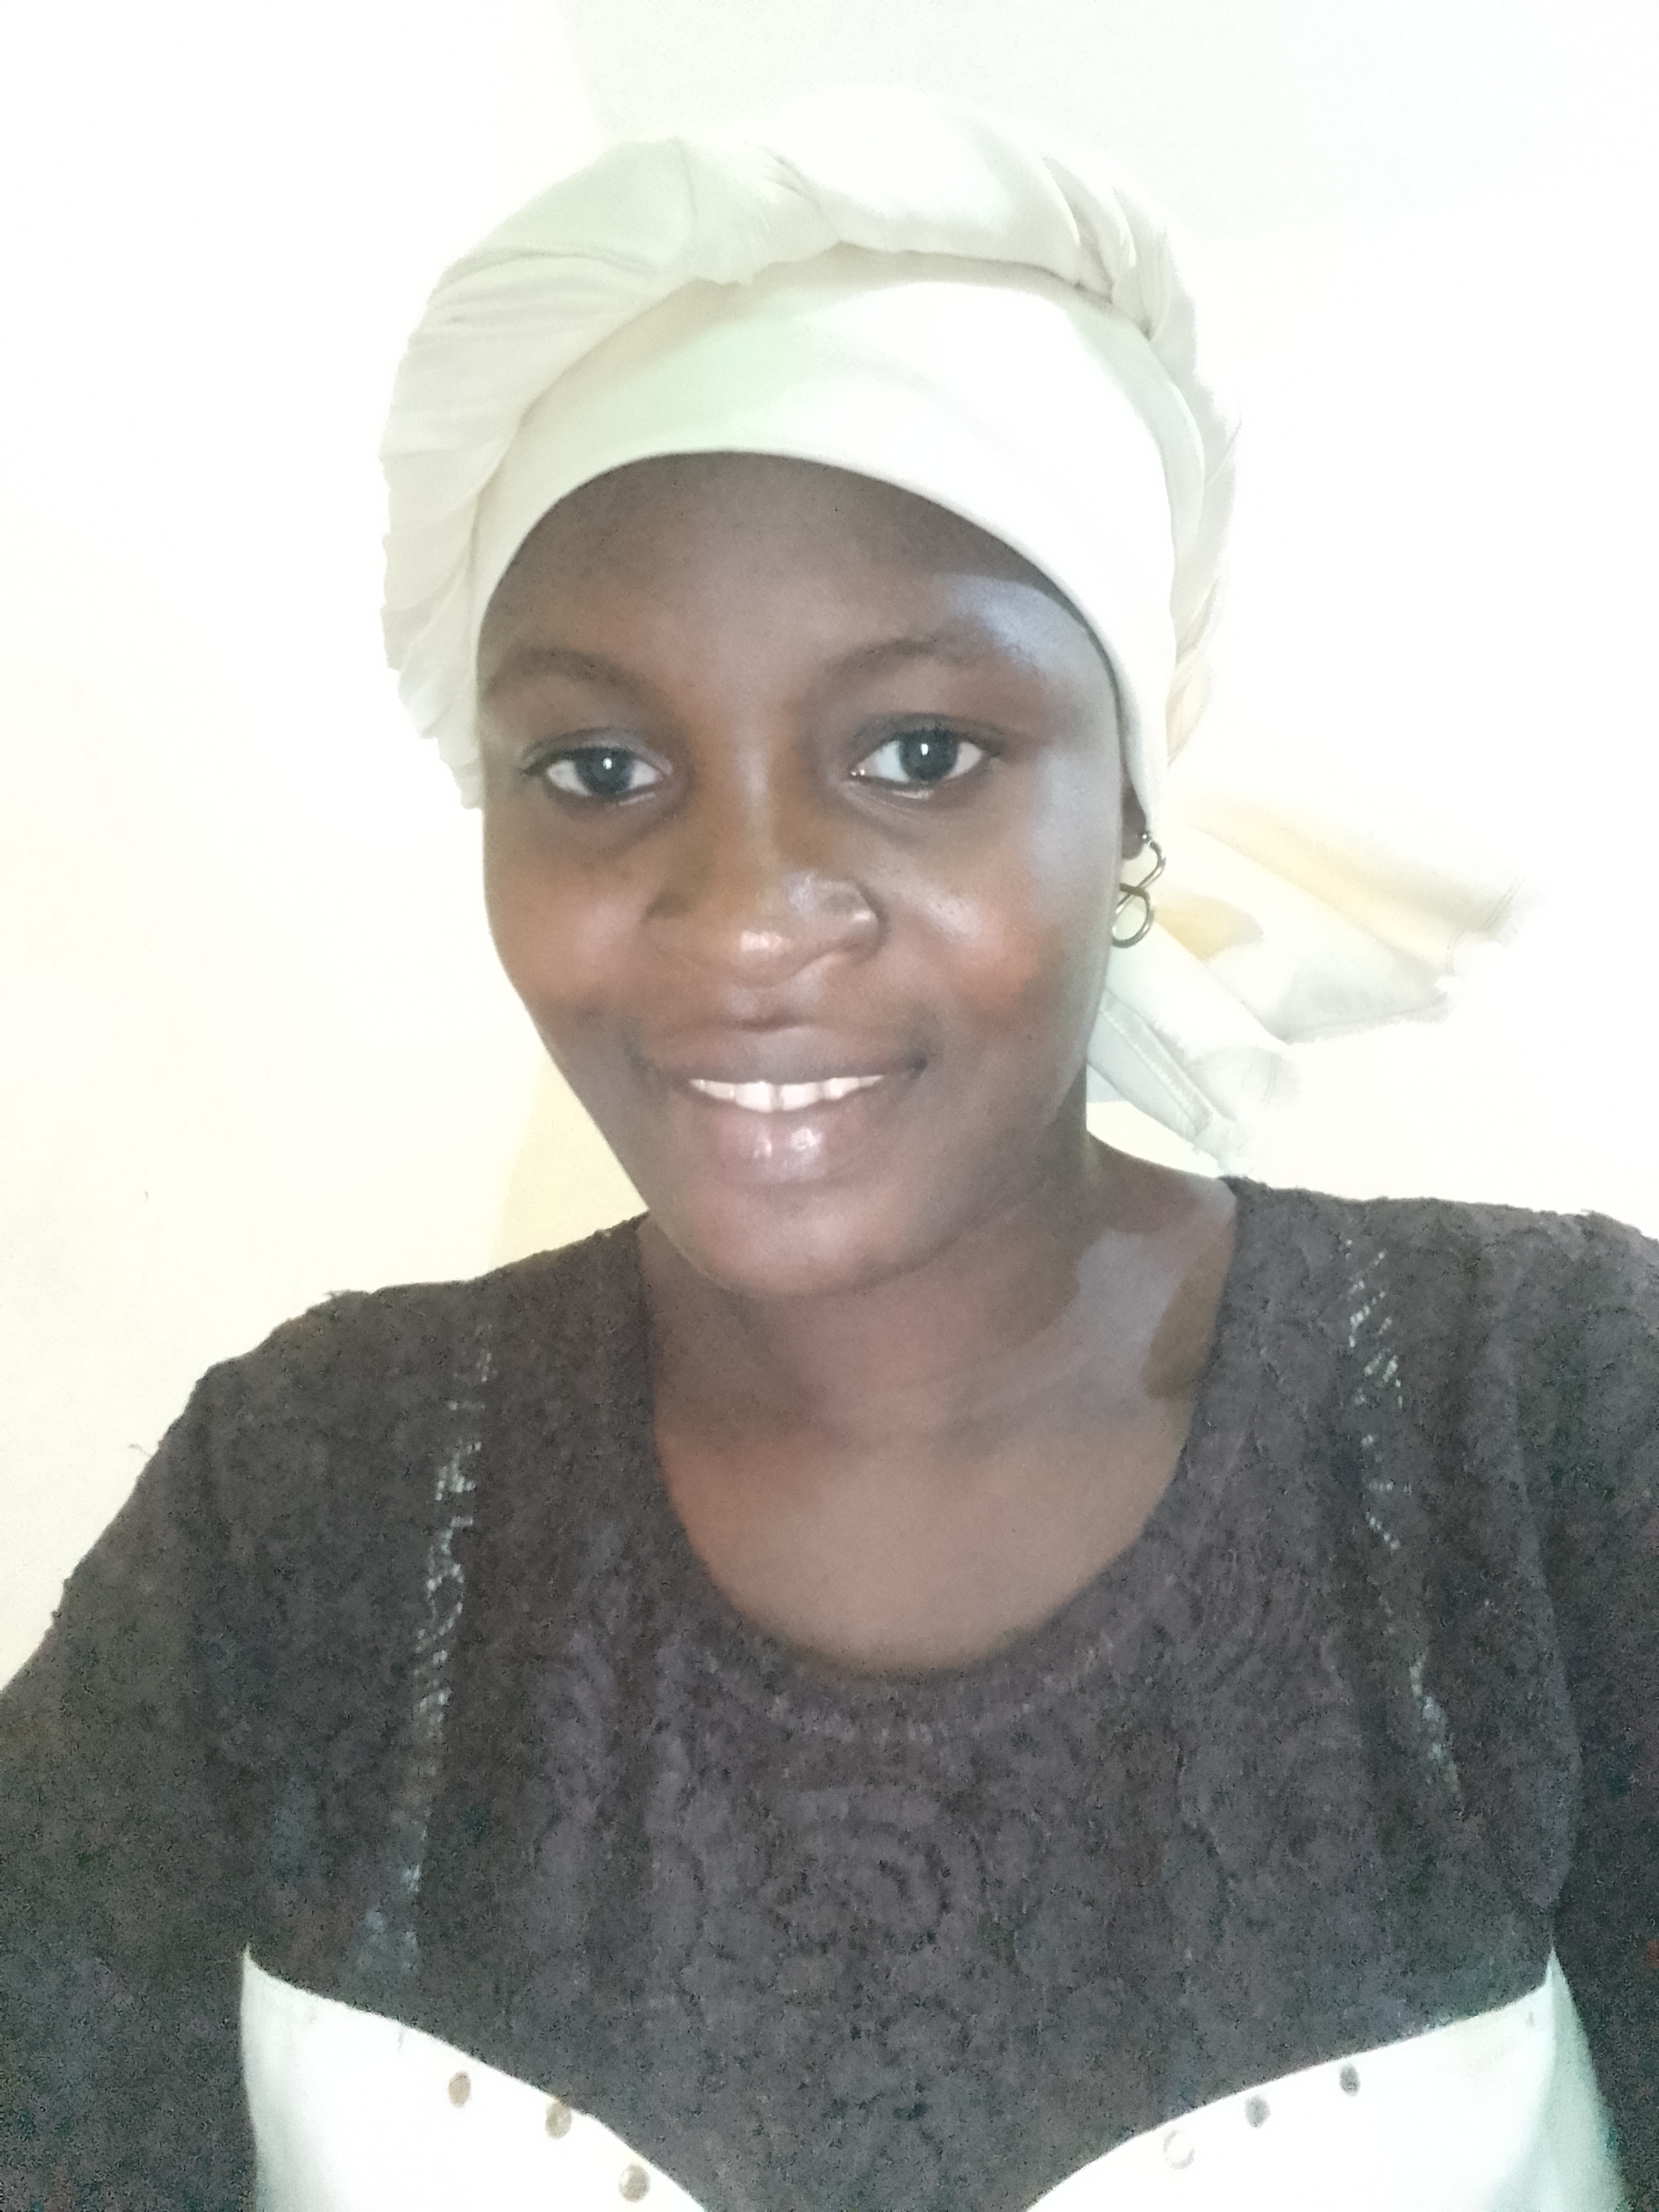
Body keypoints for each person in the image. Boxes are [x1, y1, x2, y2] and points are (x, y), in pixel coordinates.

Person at [1, 88, 1653, 2212]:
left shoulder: (1542, 1425)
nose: (745, 921)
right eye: (600, 768)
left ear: (1128, 807)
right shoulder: (311, 1496)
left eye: (920, 751)